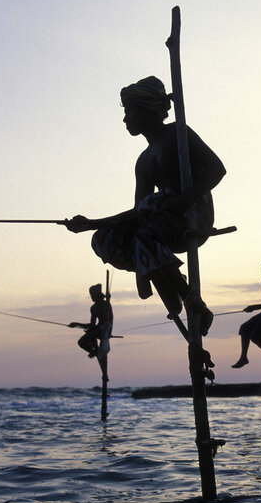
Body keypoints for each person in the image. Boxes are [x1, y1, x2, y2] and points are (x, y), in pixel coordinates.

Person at [64, 76, 226, 336]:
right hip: (158, 222)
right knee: (104, 240)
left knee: (144, 236)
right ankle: (169, 282)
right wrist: (92, 224)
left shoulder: (178, 133)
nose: (125, 118)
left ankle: (188, 297)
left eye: (130, 111)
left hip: (191, 215)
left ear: (149, 108)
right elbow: (140, 212)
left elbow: (217, 170)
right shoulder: (143, 161)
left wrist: (183, 200)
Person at [68, 284, 113, 373]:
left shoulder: (106, 304)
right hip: (97, 329)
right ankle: (95, 352)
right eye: (91, 295)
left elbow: (108, 320)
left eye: (93, 295)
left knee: (92, 334)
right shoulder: (93, 308)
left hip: (106, 329)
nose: (91, 297)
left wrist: (77, 324)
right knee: (81, 342)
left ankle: (96, 353)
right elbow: (92, 324)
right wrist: (76, 324)